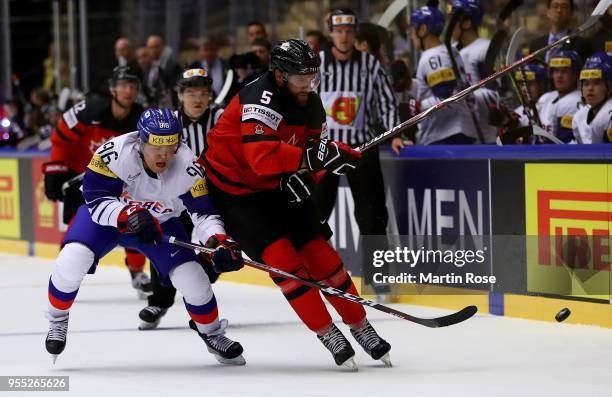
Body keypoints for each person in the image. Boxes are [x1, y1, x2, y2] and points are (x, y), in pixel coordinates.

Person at [200, 39, 391, 369]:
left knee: (322, 256)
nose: (308, 84)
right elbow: (261, 158)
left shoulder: (312, 104)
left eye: (312, 76)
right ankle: (327, 331)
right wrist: (315, 160)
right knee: (284, 262)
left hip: (275, 183)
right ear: (278, 75)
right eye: (300, 77)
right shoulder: (258, 98)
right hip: (236, 194)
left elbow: (315, 154)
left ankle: (361, 325)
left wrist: (324, 164)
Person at [44, 108, 246, 365]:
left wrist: (218, 239)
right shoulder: (114, 153)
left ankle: (212, 333)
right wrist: (126, 213)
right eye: (155, 147)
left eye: (170, 147)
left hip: (159, 224)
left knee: (193, 279)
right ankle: (57, 319)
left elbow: (204, 213)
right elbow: (95, 200)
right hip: (107, 219)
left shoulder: (188, 166)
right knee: (72, 259)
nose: (163, 156)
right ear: (141, 141)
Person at [43, 66, 152, 298]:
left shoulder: (142, 119)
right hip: (80, 176)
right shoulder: (89, 109)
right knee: (78, 227)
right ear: (112, 89)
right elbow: (60, 137)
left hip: (119, 179)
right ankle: (65, 275)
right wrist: (55, 169)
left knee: (133, 218)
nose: (128, 91)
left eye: (133, 86)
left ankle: (137, 273)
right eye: (123, 86)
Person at [314, 9, 398, 300]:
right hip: (324, 153)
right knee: (315, 217)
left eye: (349, 30)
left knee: (372, 216)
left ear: (355, 33)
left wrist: (392, 134)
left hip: (362, 149)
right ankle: (315, 275)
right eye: (339, 31)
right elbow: (303, 101)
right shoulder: (317, 65)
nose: (344, 36)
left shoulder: (370, 65)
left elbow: (386, 102)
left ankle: (379, 280)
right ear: (330, 33)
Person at [138, 68, 225, 330]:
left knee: (215, 251)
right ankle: (160, 300)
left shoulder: (222, 119)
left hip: (217, 196)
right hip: (178, 196)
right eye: (190, 93)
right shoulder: (170, 122)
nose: (197, 99)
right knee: (162, 239)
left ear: (210, 96)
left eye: (203, 93)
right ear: (180, 96)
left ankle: (199, 298)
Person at [409, 4, 474, 145]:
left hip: (443, 134)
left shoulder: (432, 57)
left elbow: (447, 96)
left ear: (423, 29)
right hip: (460, 128)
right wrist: (410, 85)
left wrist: (418, 106)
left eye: (413, 30)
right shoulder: (449, 51)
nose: (411, 36)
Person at [451, 0, 500, 144]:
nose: (450, 24)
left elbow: (496, 93)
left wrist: (468, 95)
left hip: (483, 131)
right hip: (456, 128)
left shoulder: (485, 49)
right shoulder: (448, 50)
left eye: (454, 19)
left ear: (467, 23)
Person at [539, 49, 582, 143]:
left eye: (565, 71)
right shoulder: (546, 98)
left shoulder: (577, 100)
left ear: (576, 74)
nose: (559, 75)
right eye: (556, 71)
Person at [572, 52, 612, 143]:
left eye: (597, 83)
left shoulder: (609, 116)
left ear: (610, 87)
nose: (590, 88)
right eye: (586, 83)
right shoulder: (580, 116)